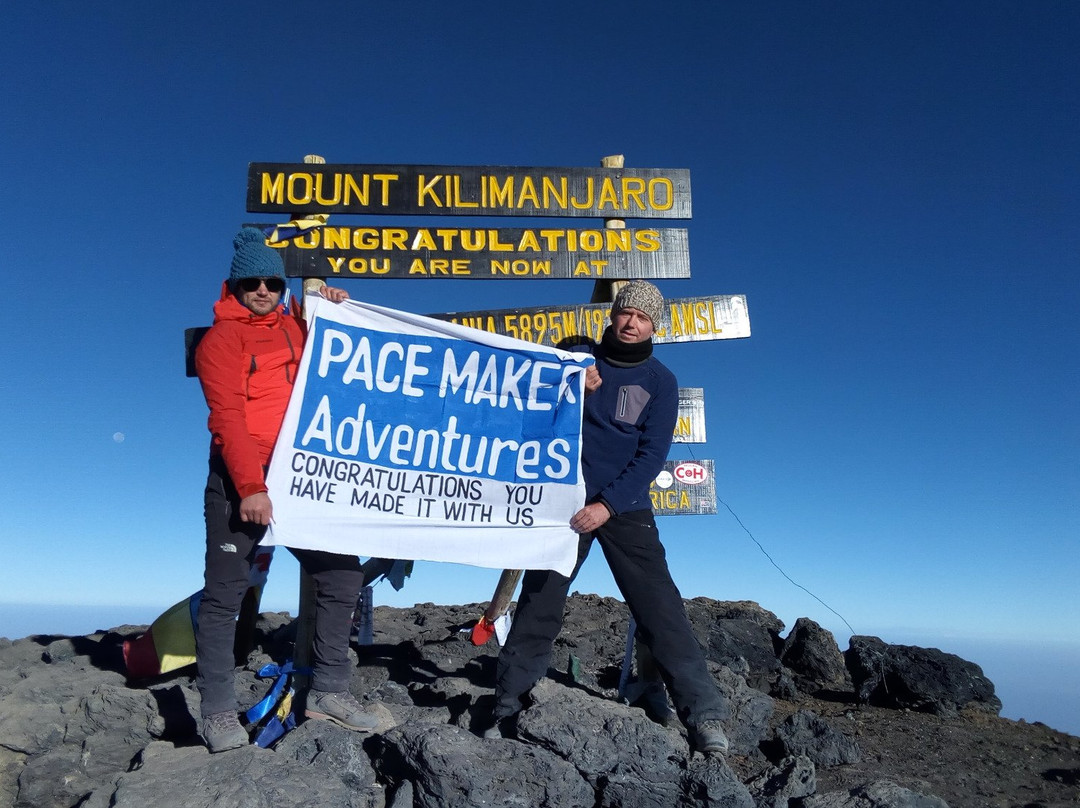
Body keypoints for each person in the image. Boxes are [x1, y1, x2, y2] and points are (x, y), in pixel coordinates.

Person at [486, 280, 731, 755]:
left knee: (661, 609)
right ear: (613, 315)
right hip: (564, 504)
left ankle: (704, 717)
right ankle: (505, 708)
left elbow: (652, 453)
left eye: (642, 316)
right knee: (539, 605)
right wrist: (571, 382)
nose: (632, 322)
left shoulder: (661, 381)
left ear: (653, 324)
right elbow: (533, 394)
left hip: (625, 506)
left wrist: (609, 505)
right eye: (625, 313)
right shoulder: (578, 354)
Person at [193, 228, 377, 752]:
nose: (262, 289)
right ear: (235, 284)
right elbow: (226, 417)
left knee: (342, 575)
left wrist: (335, 306)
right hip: (240, 483)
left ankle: (330, 691)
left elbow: (338, 348)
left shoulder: (299, 326)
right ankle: (218, 713)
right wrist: (251, 486)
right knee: (225, 595)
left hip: (304, 478)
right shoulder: (221, 340)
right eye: (251, 281)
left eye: (272, 280)